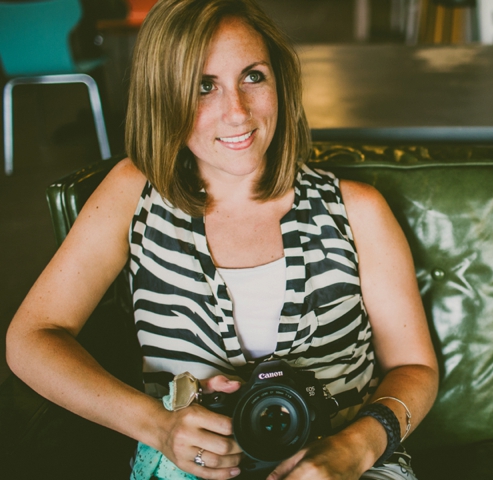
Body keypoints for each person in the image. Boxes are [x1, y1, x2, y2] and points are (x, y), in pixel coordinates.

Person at [5, 1, 439, 479]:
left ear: (280, 82)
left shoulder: (358, 210)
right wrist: (156, 425)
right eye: (203, 86)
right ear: (163, 95)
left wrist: (354, 448)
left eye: (253, 77)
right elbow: (30, 340)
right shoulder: (134, 192)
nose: (236, 112)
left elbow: (415, 368)